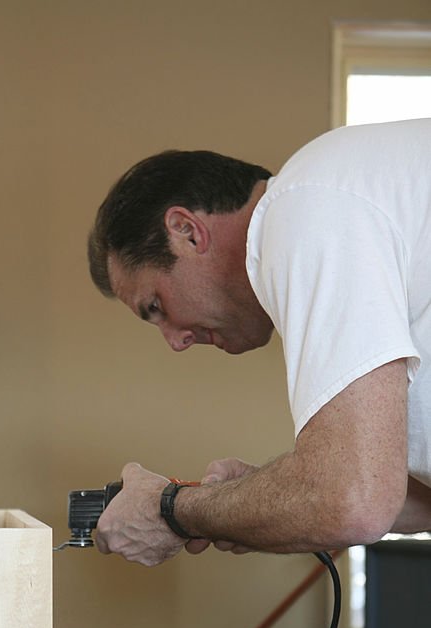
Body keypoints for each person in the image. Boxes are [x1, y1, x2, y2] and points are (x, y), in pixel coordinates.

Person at [87, 119, 431, 567]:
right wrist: (259, 501)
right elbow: (386, 493)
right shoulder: (326, 199)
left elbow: (353, 501)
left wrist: (169, 510)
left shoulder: (305, 208)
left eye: (155, 306)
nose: (175, 341)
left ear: (187, 231)